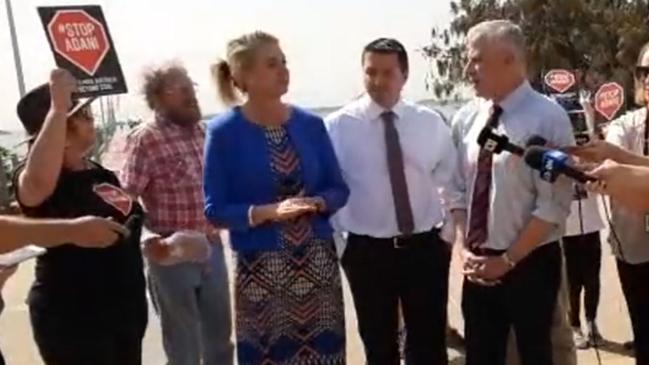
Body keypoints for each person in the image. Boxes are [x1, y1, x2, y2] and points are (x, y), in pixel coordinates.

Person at [204, 31, 349, 365]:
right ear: (244, 76)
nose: (284, 70)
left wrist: (318, 203)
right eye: (272, 64)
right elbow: (215, 210)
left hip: (317, 263)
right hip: (261, 271)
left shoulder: (311, 124)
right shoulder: (223, 131)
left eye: (283, 62)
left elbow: (338, 188)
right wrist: (268, 212)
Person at [449, 20, 573, 365]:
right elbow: (458, 191)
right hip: (477, 266)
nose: (467, 69)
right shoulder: (466, 118)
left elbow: (553, 205)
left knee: (535, 354)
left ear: (508, 59)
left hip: (530, 264)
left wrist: (505, 261)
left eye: (475, 60)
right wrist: (462, 250)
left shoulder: (549, 118)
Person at [326, 38, 457, 365]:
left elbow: (452, 178)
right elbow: (326, 188)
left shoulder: (428, 122)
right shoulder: (338, 127)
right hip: (367, 254)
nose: (378, 81)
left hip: (425, 249)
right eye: (371, 72)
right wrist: (342, 245)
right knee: (378, 347)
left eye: (387, 72)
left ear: (404, 75)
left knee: (429, 347)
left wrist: (448, 234)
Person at [13, 69, 147, 365]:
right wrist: (59, 109)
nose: (92, 120)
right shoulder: (38, 180)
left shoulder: (100, 173)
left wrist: (156, 244)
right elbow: (36, 185)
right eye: (83, 115)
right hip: (73, 317)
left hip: (123, 311)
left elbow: (129, 221)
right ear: (59, 129)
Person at [120, 63, 233, 365]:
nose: (191, 96)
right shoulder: (146, 139)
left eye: (191, 88)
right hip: (171, 255)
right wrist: (148, 239)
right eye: (181, 90)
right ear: (157, 98)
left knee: (220, 339)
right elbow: (124, 202)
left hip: (212, 249)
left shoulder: (204, 132)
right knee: (183, 344)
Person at [561, 185, 605, 349]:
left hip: (591, 229)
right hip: (566, 233)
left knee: (592, 281)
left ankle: (592, 322)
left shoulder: (589, 165)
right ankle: (574, 326)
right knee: (572, 284)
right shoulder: (556, 163)